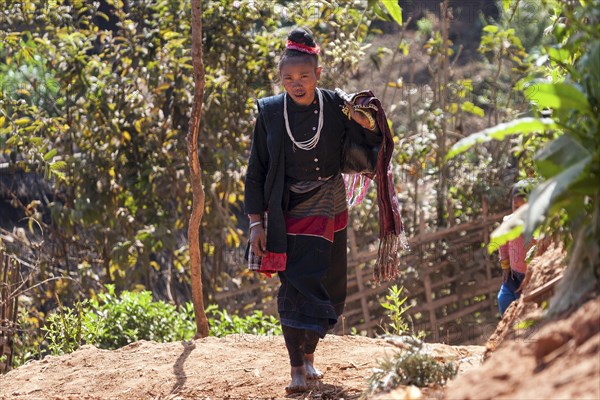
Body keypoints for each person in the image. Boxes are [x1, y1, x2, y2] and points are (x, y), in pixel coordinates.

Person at [244, 27, 399, 393]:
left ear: (318, 74)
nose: (296, 84)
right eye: (288, 78)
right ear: (280, 79)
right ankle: (296, 367)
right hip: (287, 213)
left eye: (303, 76)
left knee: (330, 286)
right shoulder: (269, 112)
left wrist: (366, 120)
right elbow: (256, 170)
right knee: (297, 285)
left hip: (331, 206)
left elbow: (373, 138)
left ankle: (310, 356)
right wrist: (255, 223)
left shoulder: (335, 104)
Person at [497, 180, 533, 316]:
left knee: (522, 308)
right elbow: (503, 244)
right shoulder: (508, 222)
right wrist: (505, 266)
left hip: (529, 276)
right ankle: (506, 330)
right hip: (512, 274)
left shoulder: (535, 224)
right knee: (503, 299)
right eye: (515, 206)